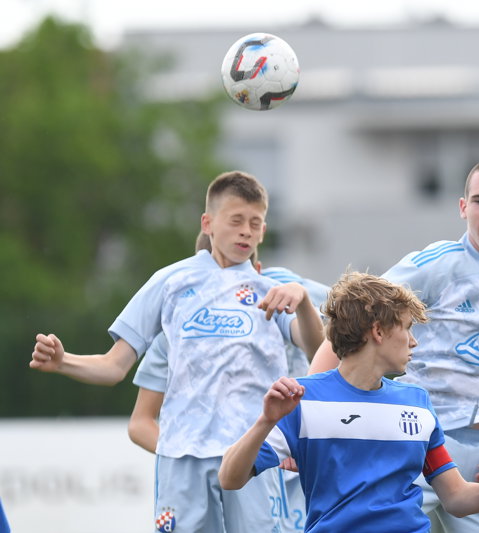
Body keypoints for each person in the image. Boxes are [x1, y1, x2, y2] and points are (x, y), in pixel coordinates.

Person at [31, 171, 325, 533]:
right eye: (236, 220)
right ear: (208, 223)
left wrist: (304, 302)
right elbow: (113, 366)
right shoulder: (170, 282)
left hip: (250, 454)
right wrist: (64, 361)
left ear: (263, 231)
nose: (246, 231)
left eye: (255, 223)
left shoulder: (270, 290)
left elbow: (316, 350)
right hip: (181, 457)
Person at [308, 157, 479, 532]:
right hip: (416, 438)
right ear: (463, 207)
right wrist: (311, 411)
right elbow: (352, 324)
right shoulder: (435, 264)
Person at [219, 271, 479, 532]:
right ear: (378, 331)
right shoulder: (301, 399)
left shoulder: (417, 402)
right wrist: (266, 421)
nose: (414, 342)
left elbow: (457, 498)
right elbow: (230, 478)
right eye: (407, 328)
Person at [129, 232, 329, 532]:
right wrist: (199, 451)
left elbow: (346, 311)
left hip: (294, 470)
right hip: (247, 467)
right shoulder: (172, 334)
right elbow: (139, 422)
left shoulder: (281, 290)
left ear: (255, 271)